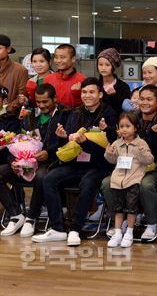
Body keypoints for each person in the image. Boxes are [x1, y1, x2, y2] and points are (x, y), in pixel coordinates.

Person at [32, 77, 117, 246]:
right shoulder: (75, 113)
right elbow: (67, 145)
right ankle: (57, 228)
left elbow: (111, 145)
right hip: (75, 162)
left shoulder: (109, 113)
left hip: (99, 164)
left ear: (100, 94)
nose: (87, 96)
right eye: (84, 92)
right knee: (49, 179)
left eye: (92, 92)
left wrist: (86, 142)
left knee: (87, 183)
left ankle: (75, 229)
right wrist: (63, 138)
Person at [101, 84, 157, 241]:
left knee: (146, 185)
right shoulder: (132, 118)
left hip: (153, 167)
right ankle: (119, 224)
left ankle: (152, 223)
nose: (145, 102)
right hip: (128, 167)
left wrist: (155, 135)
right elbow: (119, 142)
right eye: (142, 99)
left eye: (149, 99)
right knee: (108, 183)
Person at [0, 84, 67, 237]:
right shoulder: (29, 116)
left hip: (50, 162)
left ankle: (31, 217)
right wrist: (13, 160)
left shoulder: (64, 115)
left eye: (45, 102)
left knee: (42, 176)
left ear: (54, 99)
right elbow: (16, 141)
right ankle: (16, 214)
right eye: (38, 102)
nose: (41, 105)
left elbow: (65, 143)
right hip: (25, 162)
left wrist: (48, 154)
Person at [104, 112, 154, 248]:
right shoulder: (117, 143)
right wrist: (109, 152)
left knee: (132, 209)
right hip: (117, 181)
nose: (124, 129)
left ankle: (129, 233)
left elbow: (149, 160)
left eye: (128, 126)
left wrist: (143, 151)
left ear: (135, 128)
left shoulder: (140, 143)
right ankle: (118, 232)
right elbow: (112, 160)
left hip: (133, 180)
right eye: (121, 126)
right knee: (118, 208)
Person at [43, 44, 86, 109]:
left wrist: (77, 95)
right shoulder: (48, 79)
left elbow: (87, 106)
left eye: (62, 57)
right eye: (56, 57)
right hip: (52, 117)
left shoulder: (82, 80)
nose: (58, 60)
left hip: (74, 117)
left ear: (73, 59)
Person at [97, 48, 131, 117]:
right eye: (100, 64)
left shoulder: (123, 87)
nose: (103, 68)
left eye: (107, 65)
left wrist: (113, 96)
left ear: (114, 66)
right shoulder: (96, 85)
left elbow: (123, 111)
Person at [0, 34, 28, 115]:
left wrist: (4, 110)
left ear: (8, 49)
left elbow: (21, 98)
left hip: (10, 119)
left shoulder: (20, 70)